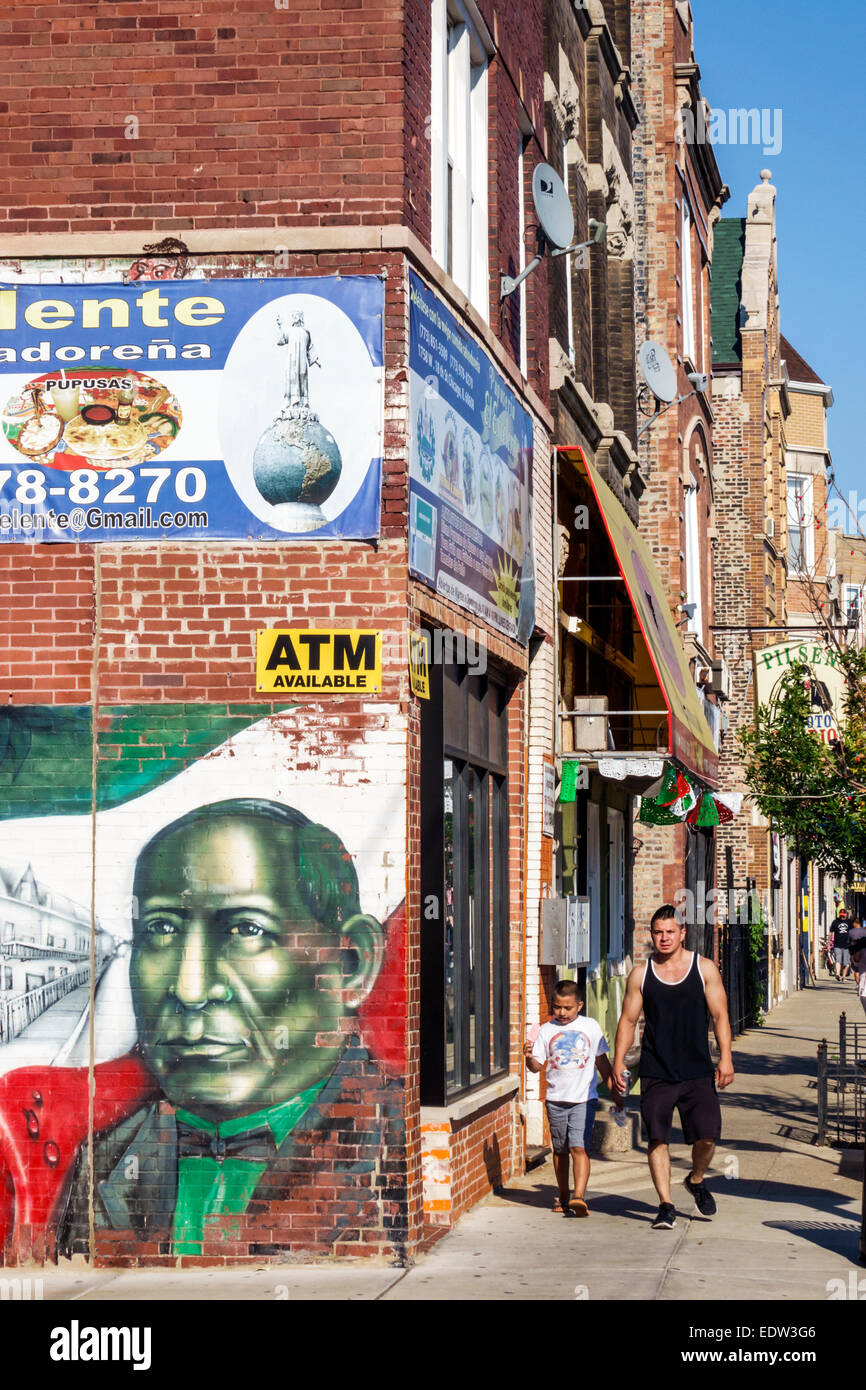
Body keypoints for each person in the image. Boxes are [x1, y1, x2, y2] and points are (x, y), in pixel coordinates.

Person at [58, 798, 387, 1257]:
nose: (190, 989)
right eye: (161, 930)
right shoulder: (105, 1162)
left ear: (351, 964)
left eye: (247, 930)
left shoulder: (396, 1152)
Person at [611, 905, 735, 1231]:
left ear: (682, 934)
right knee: (657, 1138)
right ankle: (666, 1205)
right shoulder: (642, 974)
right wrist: (617, 1063)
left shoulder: (704, 968)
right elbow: (627, 1021)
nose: (664, 938)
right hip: (656, 1069)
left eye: (670, 932)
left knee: (707, 1137)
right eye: (658, 932)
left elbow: (721, 1017)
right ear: (652, 935)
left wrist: (726, 1057)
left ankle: (695, 1180)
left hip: (696, 1068)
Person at [524, 979, 617, 1217]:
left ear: (579, 1006)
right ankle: (563, 1194)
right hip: (555, 1098)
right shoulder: (546, 1030)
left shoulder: (591, 1027)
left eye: (568, 1008)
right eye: (557, 1007)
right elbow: (536, 1068)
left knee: (578, 1146)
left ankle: (579, 1196)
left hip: (583, 1099)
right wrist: (528, 1057)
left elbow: (602, 1062)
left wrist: (615, 1091)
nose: (562, 1013)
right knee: (560, 1149)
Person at [829, 907, 853, 982]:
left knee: (846, 963)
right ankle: (838, 974)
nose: (842, 917)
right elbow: (831, 933)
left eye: (843, 915)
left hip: (847, 945)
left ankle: (843, 976)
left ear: (846, 915)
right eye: (841, 915)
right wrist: (828, 943)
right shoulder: (835, 922)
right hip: (837, 944)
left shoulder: (849, 922)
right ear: (839, 915)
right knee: (838, 960)